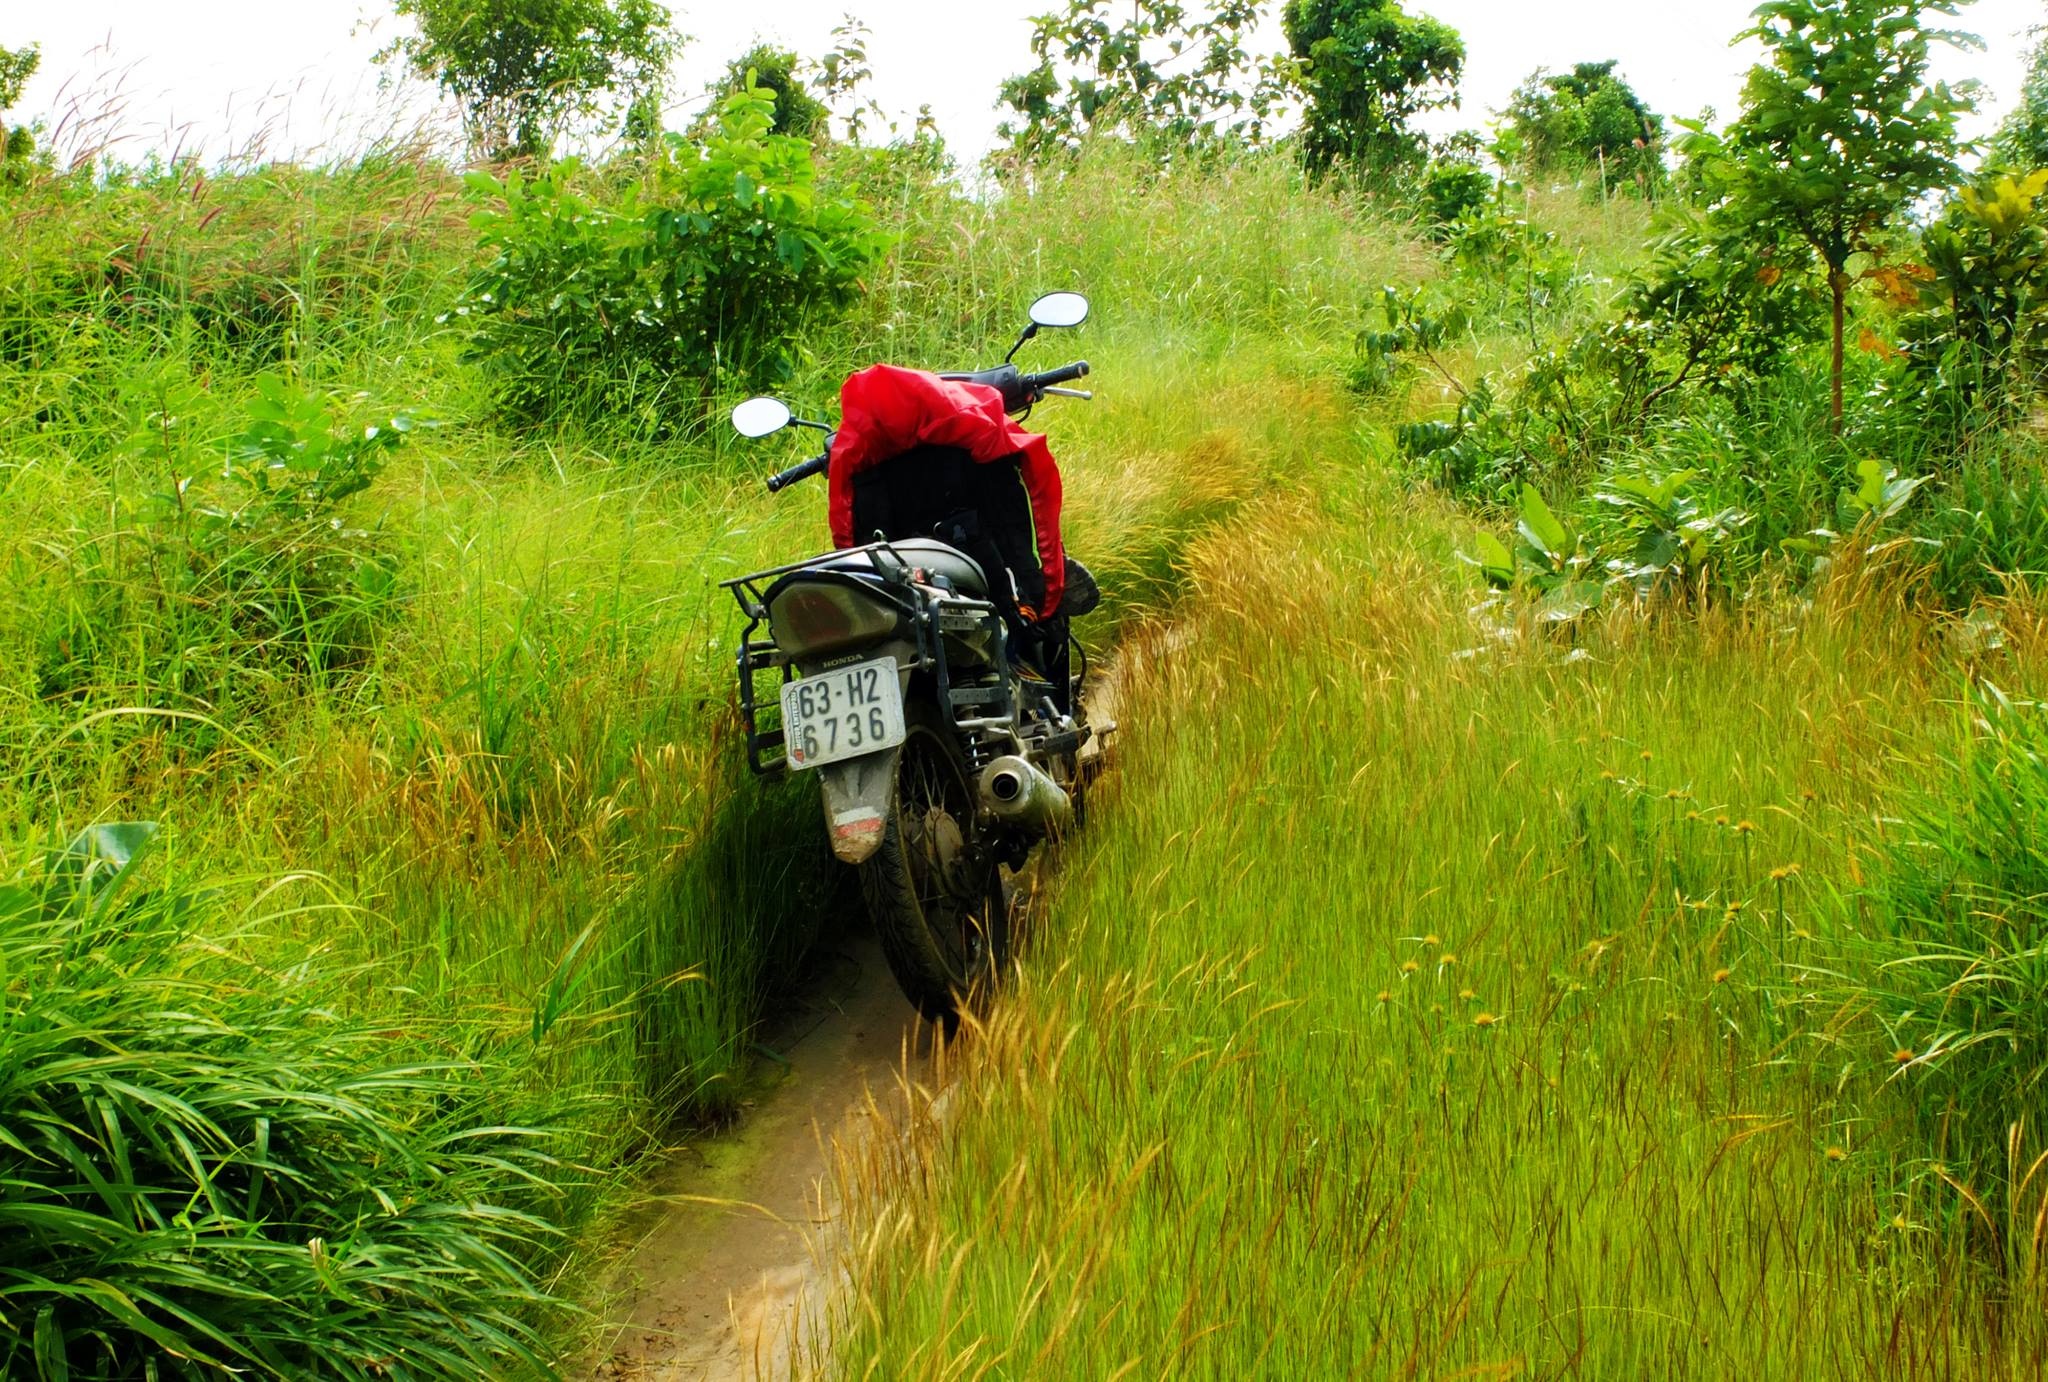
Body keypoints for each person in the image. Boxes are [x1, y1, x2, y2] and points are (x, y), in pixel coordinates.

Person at [825, 363, 1090, 712]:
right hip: (983, 571)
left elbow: (850, 541)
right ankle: (1049, 705)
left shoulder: (864, 469)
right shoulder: (971, 431)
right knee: (1024, 603)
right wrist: (1047, 588)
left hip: (902, 598)